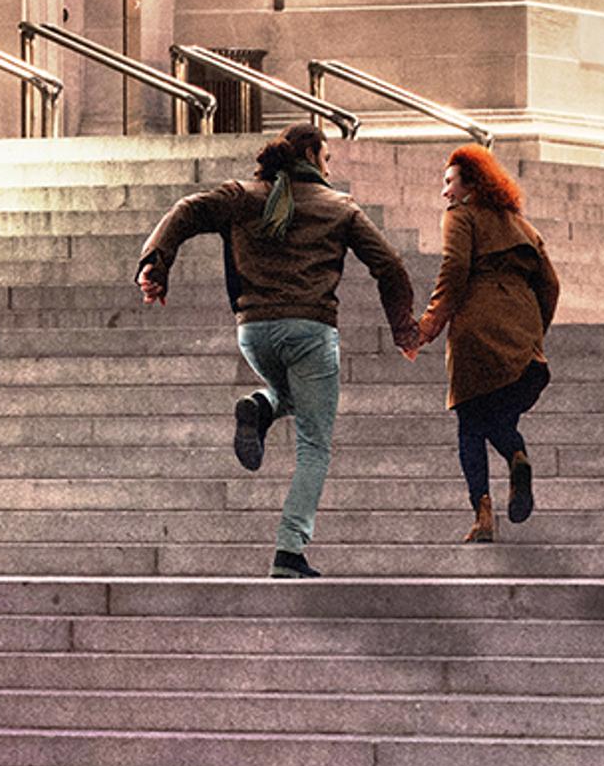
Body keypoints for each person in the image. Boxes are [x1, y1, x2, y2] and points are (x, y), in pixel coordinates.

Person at [137, 122, 419, 579]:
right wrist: (404, 328)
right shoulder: (339, 207)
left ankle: (262, 404)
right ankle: (289, 550)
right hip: (310, 331)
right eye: (328, 158)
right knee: (314, 444)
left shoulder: (242, 195)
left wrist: (155, 263)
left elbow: (186, 211)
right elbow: (389, 265)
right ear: (311, 153)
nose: (330, 169)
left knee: (294, 395)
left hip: (254, 333)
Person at [401, 141, 559, 544]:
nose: (445, 192)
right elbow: (551, 284)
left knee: (471, 424)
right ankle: (517, 456)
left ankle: (483, 514)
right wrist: (534, 330)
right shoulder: (522, 226)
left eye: (450, 182)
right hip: (522, 337)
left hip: (477, 328)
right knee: (498, 417)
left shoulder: (461, 216)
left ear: (471, 185)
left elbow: (454, 270)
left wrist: (427, 327)